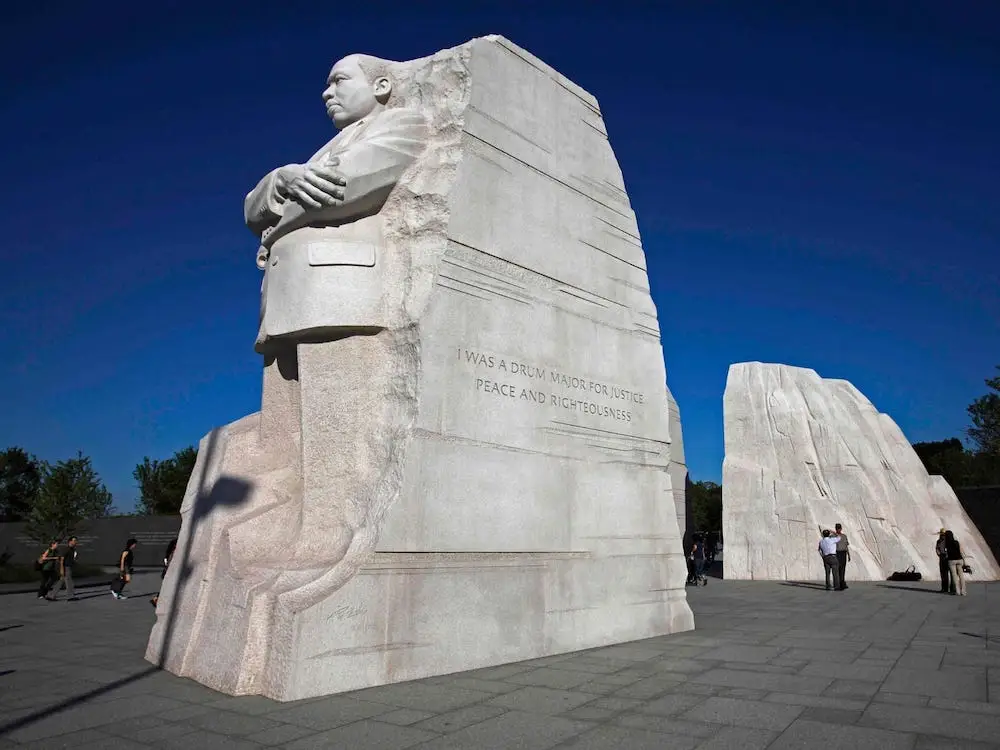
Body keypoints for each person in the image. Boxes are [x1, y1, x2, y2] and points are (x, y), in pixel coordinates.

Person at [49, 536, 79, 601]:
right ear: (70, 541)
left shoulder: (72, 549)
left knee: (60, 581)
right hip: (66, 567)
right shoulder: (66, 549)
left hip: (68, 567)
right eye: (74, 540)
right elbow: (62, 560)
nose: (75, 542)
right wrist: (62, 569)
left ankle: (51, 596)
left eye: (76, 541)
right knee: (69, 582)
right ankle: (70, 597)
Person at [151, 538, 178, 608]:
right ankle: (157, 599)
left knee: (168, 587)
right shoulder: (173, 553)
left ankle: (157, 599)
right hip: (170, 573)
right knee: (168, 587)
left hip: (169, 572)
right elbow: (169, 564)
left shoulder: (171, 553)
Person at [944, 530, 967, 596]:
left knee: (954, 576)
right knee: (961, 576)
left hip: (951, 561)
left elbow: (946, 554)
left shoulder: (947, 544)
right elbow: (961, 551)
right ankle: (963, 591)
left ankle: (957, 591)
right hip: (959, 560)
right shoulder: (956, 542)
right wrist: (964, 561)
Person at [936, 528, 955, 594]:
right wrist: (939, 554)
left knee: (951, 574)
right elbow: (937, 548)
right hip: (942, 558)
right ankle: (944, 588)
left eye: (943, 535)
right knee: (943, 574)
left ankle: (952, 589)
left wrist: (947, 554)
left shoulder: (948, 541)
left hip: (948, 558)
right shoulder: (938, 541)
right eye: (941, 535)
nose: (942, 536)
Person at [834, 523, 850, 590]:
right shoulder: (833, 536)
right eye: (837, 528)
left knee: (843, 569)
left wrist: (848, 554)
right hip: (837, 553)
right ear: (836, 529)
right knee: (837, 569)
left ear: (841, 528)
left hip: (843, 553)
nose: (838, 529)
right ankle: (838, 584)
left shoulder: (844, 536)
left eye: (839, 528)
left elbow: (846, 546)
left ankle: (842, 583)